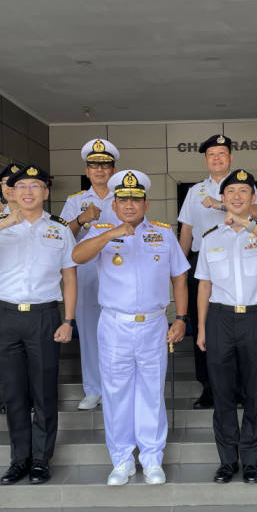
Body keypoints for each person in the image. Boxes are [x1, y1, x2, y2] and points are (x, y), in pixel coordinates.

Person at [0, 165, 77, 485]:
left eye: (35, 186)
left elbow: (69, 277)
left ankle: (41, 459)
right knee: (13, 393)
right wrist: (4, 224)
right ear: (12, 192)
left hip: (44, 315)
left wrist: (68, 320)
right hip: (6, 316)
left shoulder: (59, 229)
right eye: (21, 186)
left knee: (43, 391)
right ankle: (19, 459)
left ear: (46, 192)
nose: (28, 191)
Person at [72, 170, 190, 486]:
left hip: (153, 324)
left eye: (135, 199)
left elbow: (179, 276)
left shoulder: (164, 234)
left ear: (145, 203)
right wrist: (109, 235)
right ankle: (122, 460)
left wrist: (180, 318)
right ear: (114, 202)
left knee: (151, 392)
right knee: (116, 393)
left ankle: (152, 459)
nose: (128, 205)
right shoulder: (99, 230)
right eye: (122, 199)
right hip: (114, 324)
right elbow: (77, 256)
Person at [196, 169, 257, 484]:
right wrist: (203, 329)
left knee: (254, 391)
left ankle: (250, 459)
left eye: (243, 192)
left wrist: (248, 223)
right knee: (221, 393)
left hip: (254, 317)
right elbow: (204, 285)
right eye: (231, 191)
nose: (237, 196)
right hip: (220, 318)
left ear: (253, 198)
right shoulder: (210, 238)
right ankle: (226, 460)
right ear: (223, 198)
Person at [178, 134, 257, 409]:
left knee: (234, 323)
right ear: (206, 159)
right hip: (203, 263)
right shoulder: (195, 191)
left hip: (238, 259)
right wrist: (180, 269)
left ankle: (237, 388)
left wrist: (221, 204)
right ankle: (209, 388)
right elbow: (186, 233)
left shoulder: (243, 185)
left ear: (231, 157)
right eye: (211, 154)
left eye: (221, 153)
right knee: (203, 325)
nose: (216, 158)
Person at [60, 138, 121, 411]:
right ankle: (93, 389)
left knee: (118, 330)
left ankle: (116, 387)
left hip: (118, 270)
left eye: (105, 165)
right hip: (85, 273)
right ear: (87, 171)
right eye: (94, 165)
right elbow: (62, 237)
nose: (99, 170)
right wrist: (81, 219)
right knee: (89, 331)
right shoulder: (75, 201)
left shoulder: (124, 196)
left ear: (113, 169)